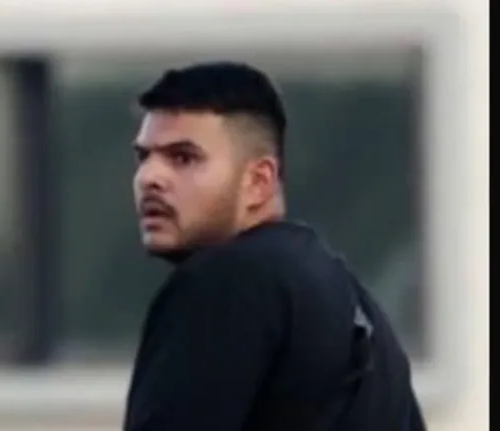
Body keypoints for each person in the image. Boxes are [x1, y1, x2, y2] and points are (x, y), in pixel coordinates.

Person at [123, 61, 426, 431]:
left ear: (259, 180)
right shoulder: (350, 298)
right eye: (143, 157)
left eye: (183, 157)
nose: (150, 178)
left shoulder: (227, 281)